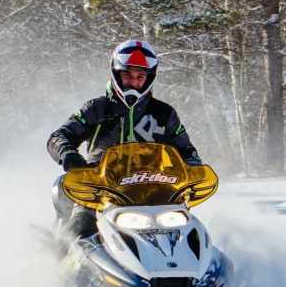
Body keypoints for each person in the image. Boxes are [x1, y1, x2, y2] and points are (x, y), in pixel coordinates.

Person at [47, 40, 201, 239]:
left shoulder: (164, 114)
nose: (133, 82)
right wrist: (68, 153)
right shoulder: (96, 109)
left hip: (156, 192)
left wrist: (193, 166)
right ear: (116, 73)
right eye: (127, 75)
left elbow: (187, 149)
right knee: (79, 230)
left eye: (140, 77)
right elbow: (58, 136)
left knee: (187, 230)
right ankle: (67, 265)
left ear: (149, 78)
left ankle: (207, 264)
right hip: (99, 191)